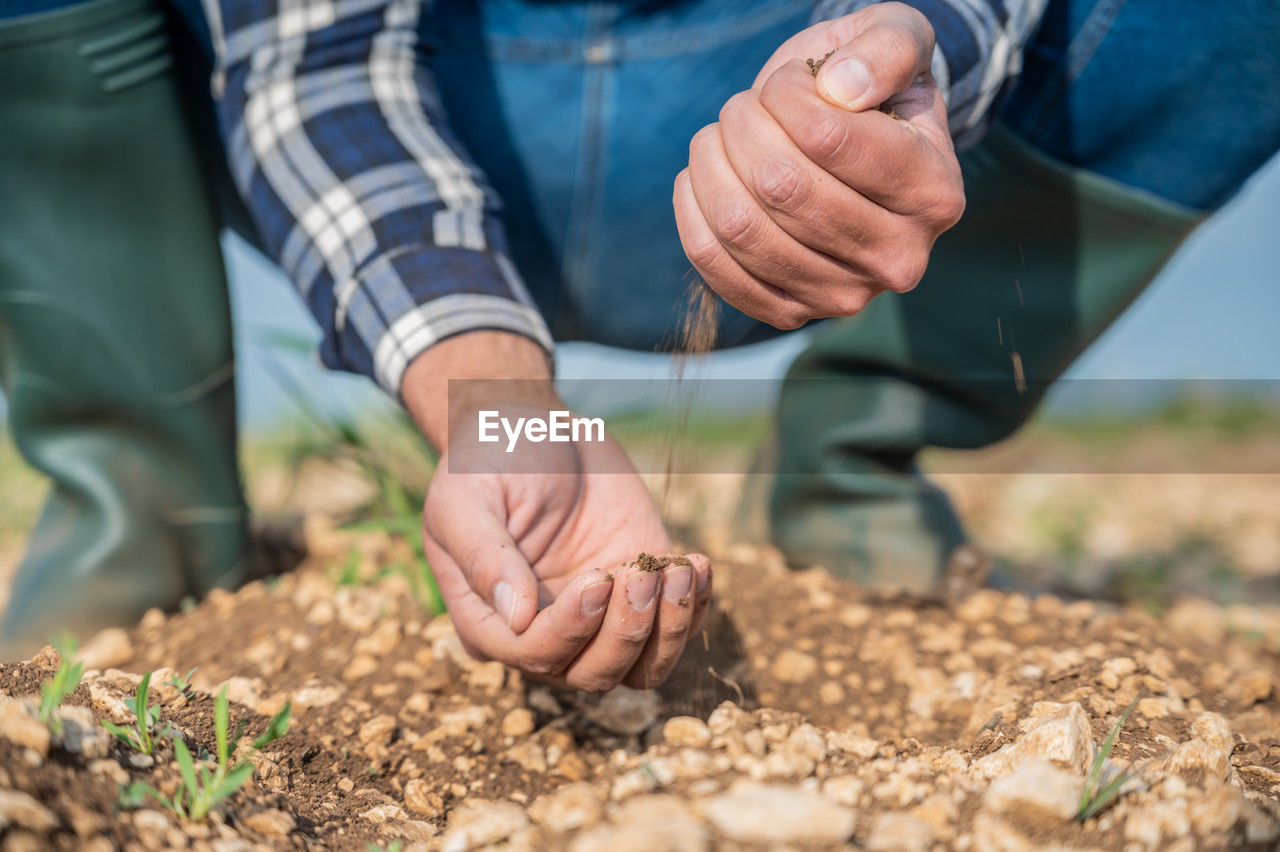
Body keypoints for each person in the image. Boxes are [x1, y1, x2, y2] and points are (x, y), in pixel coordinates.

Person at [2, 0, 1277, 688]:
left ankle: (847, 481)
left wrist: (900, 46)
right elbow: (310, 63)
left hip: (757, 95)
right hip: (439, 107)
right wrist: (505, 413)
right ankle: (141, 517)